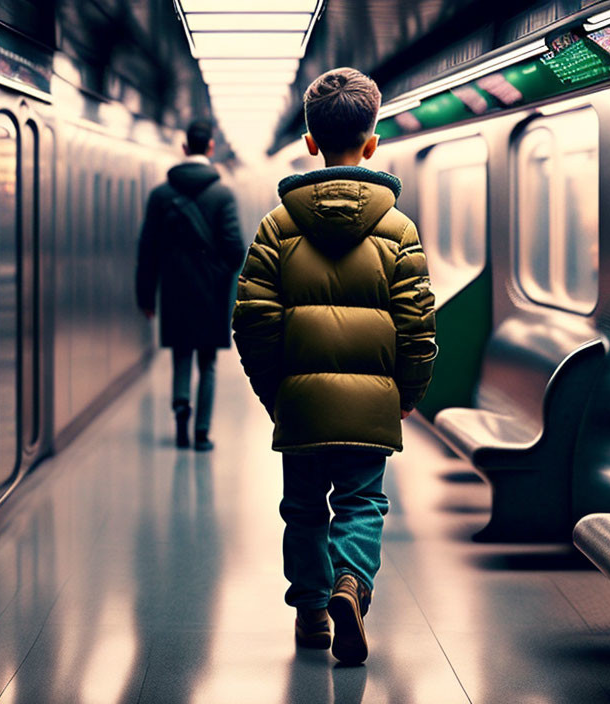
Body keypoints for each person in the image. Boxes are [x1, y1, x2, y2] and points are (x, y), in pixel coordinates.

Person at [231, 67, 437, 665]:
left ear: (310, 141)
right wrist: (410, 389)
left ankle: (311, 614)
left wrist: (277, 393)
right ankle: (353, 584)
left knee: (302, 508)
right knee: (362, 502)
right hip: (372, 402)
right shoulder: (399, 229)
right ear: (371, 143)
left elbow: (253, 320)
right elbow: (418, 321)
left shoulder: (276, 225)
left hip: (300, 402)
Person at [136, 119, 246, 451]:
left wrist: (146, 295)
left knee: (181, 354)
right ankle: (201, 432)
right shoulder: (223, 194)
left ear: (184, 148)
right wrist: (219, 275)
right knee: (207, 361)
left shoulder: (160, 195)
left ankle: (181, 408)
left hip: (173, 289)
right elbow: (236, 249)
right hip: (211, 292)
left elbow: (148, 249)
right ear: (210, 148)